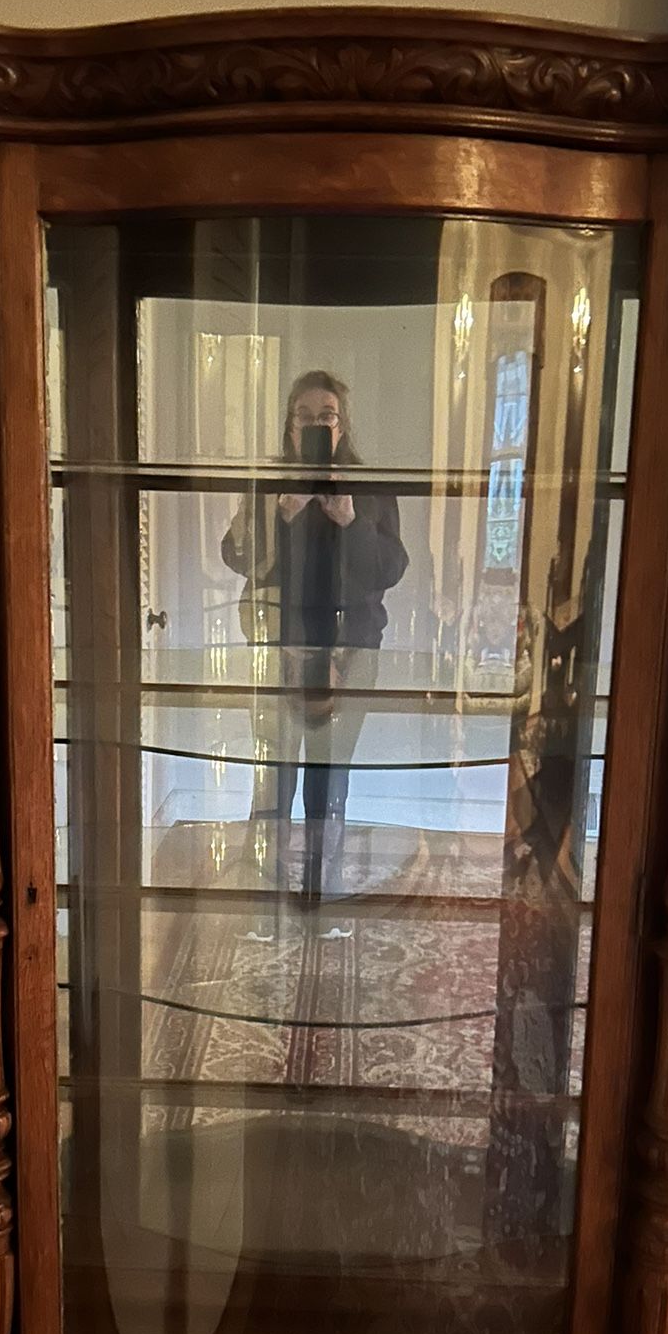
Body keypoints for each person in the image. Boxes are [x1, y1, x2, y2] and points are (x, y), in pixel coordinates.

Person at [221, 370, 408, 936]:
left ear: (342, 423)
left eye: (326, 415)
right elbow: (234, 555)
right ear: (289, 422)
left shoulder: (368, 486)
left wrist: (350, 521)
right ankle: (268, 901)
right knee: (273, 772)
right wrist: (280, 514)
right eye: (305, 416)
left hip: (353, 649)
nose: (317, 424)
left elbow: (391, 569)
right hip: (275, 649)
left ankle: (323, 893)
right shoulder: (268, 486)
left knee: (331, 773)